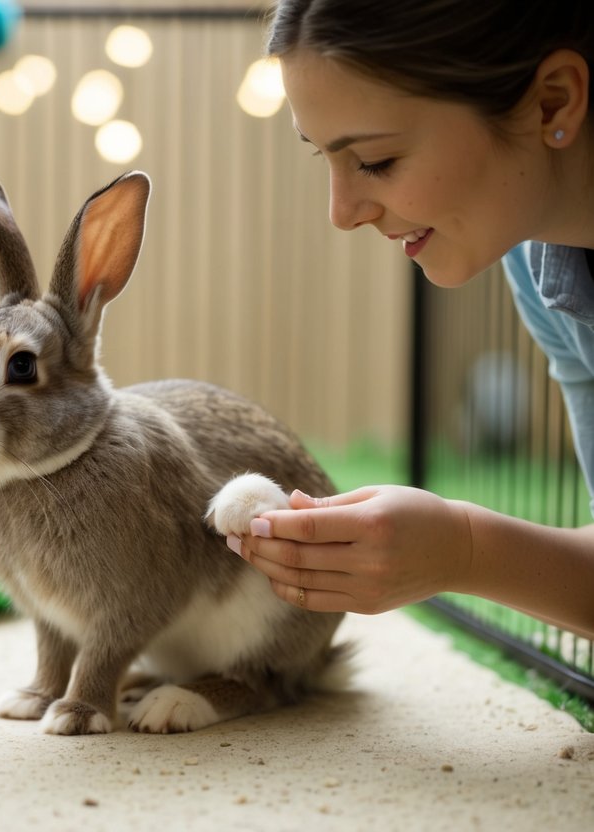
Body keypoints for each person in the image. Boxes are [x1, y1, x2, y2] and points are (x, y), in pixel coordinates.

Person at [228, 0, 594, 640]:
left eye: (374, 160)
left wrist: (467, 548)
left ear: (553, 103)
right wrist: (456, 550)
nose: (342, 213)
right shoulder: (541, 265)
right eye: (324, 158)